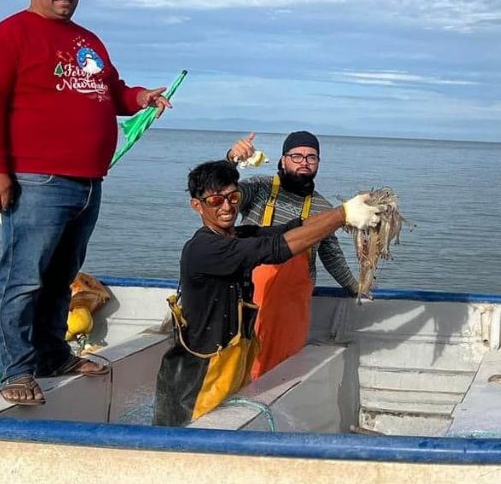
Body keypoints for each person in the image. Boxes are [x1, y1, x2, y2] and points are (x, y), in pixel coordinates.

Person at [0, 0, 172, 406]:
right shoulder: (3, 39)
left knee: (61, 277)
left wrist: (139, 96)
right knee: (23, 278)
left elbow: (108, 90)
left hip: (87, 181)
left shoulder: (87, 40)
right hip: (36, 180)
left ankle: (52, 355)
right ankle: (15, 369)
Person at [152, 159, 386, 426]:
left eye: (233, 197)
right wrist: (342, 214)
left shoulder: (237, 236)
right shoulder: (205, 249)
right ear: (197, 206)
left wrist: (344, 216)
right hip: (192, 383)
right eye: (216, 201)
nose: (227, 207)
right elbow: (276, 249)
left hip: (223, 372)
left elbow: (293, 229)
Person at [224, 130, 360, 379]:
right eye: (296, 156)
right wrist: (230, 160)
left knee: (283, 373)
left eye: (311, 157)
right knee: (239, 366)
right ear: (283, 159)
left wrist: (355, 288)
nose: (304, 162)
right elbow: (223, 197)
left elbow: (331, 255)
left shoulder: (323, 208)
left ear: (318, 163)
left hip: (291, 308)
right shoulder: (258, 188)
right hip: (247, 299)